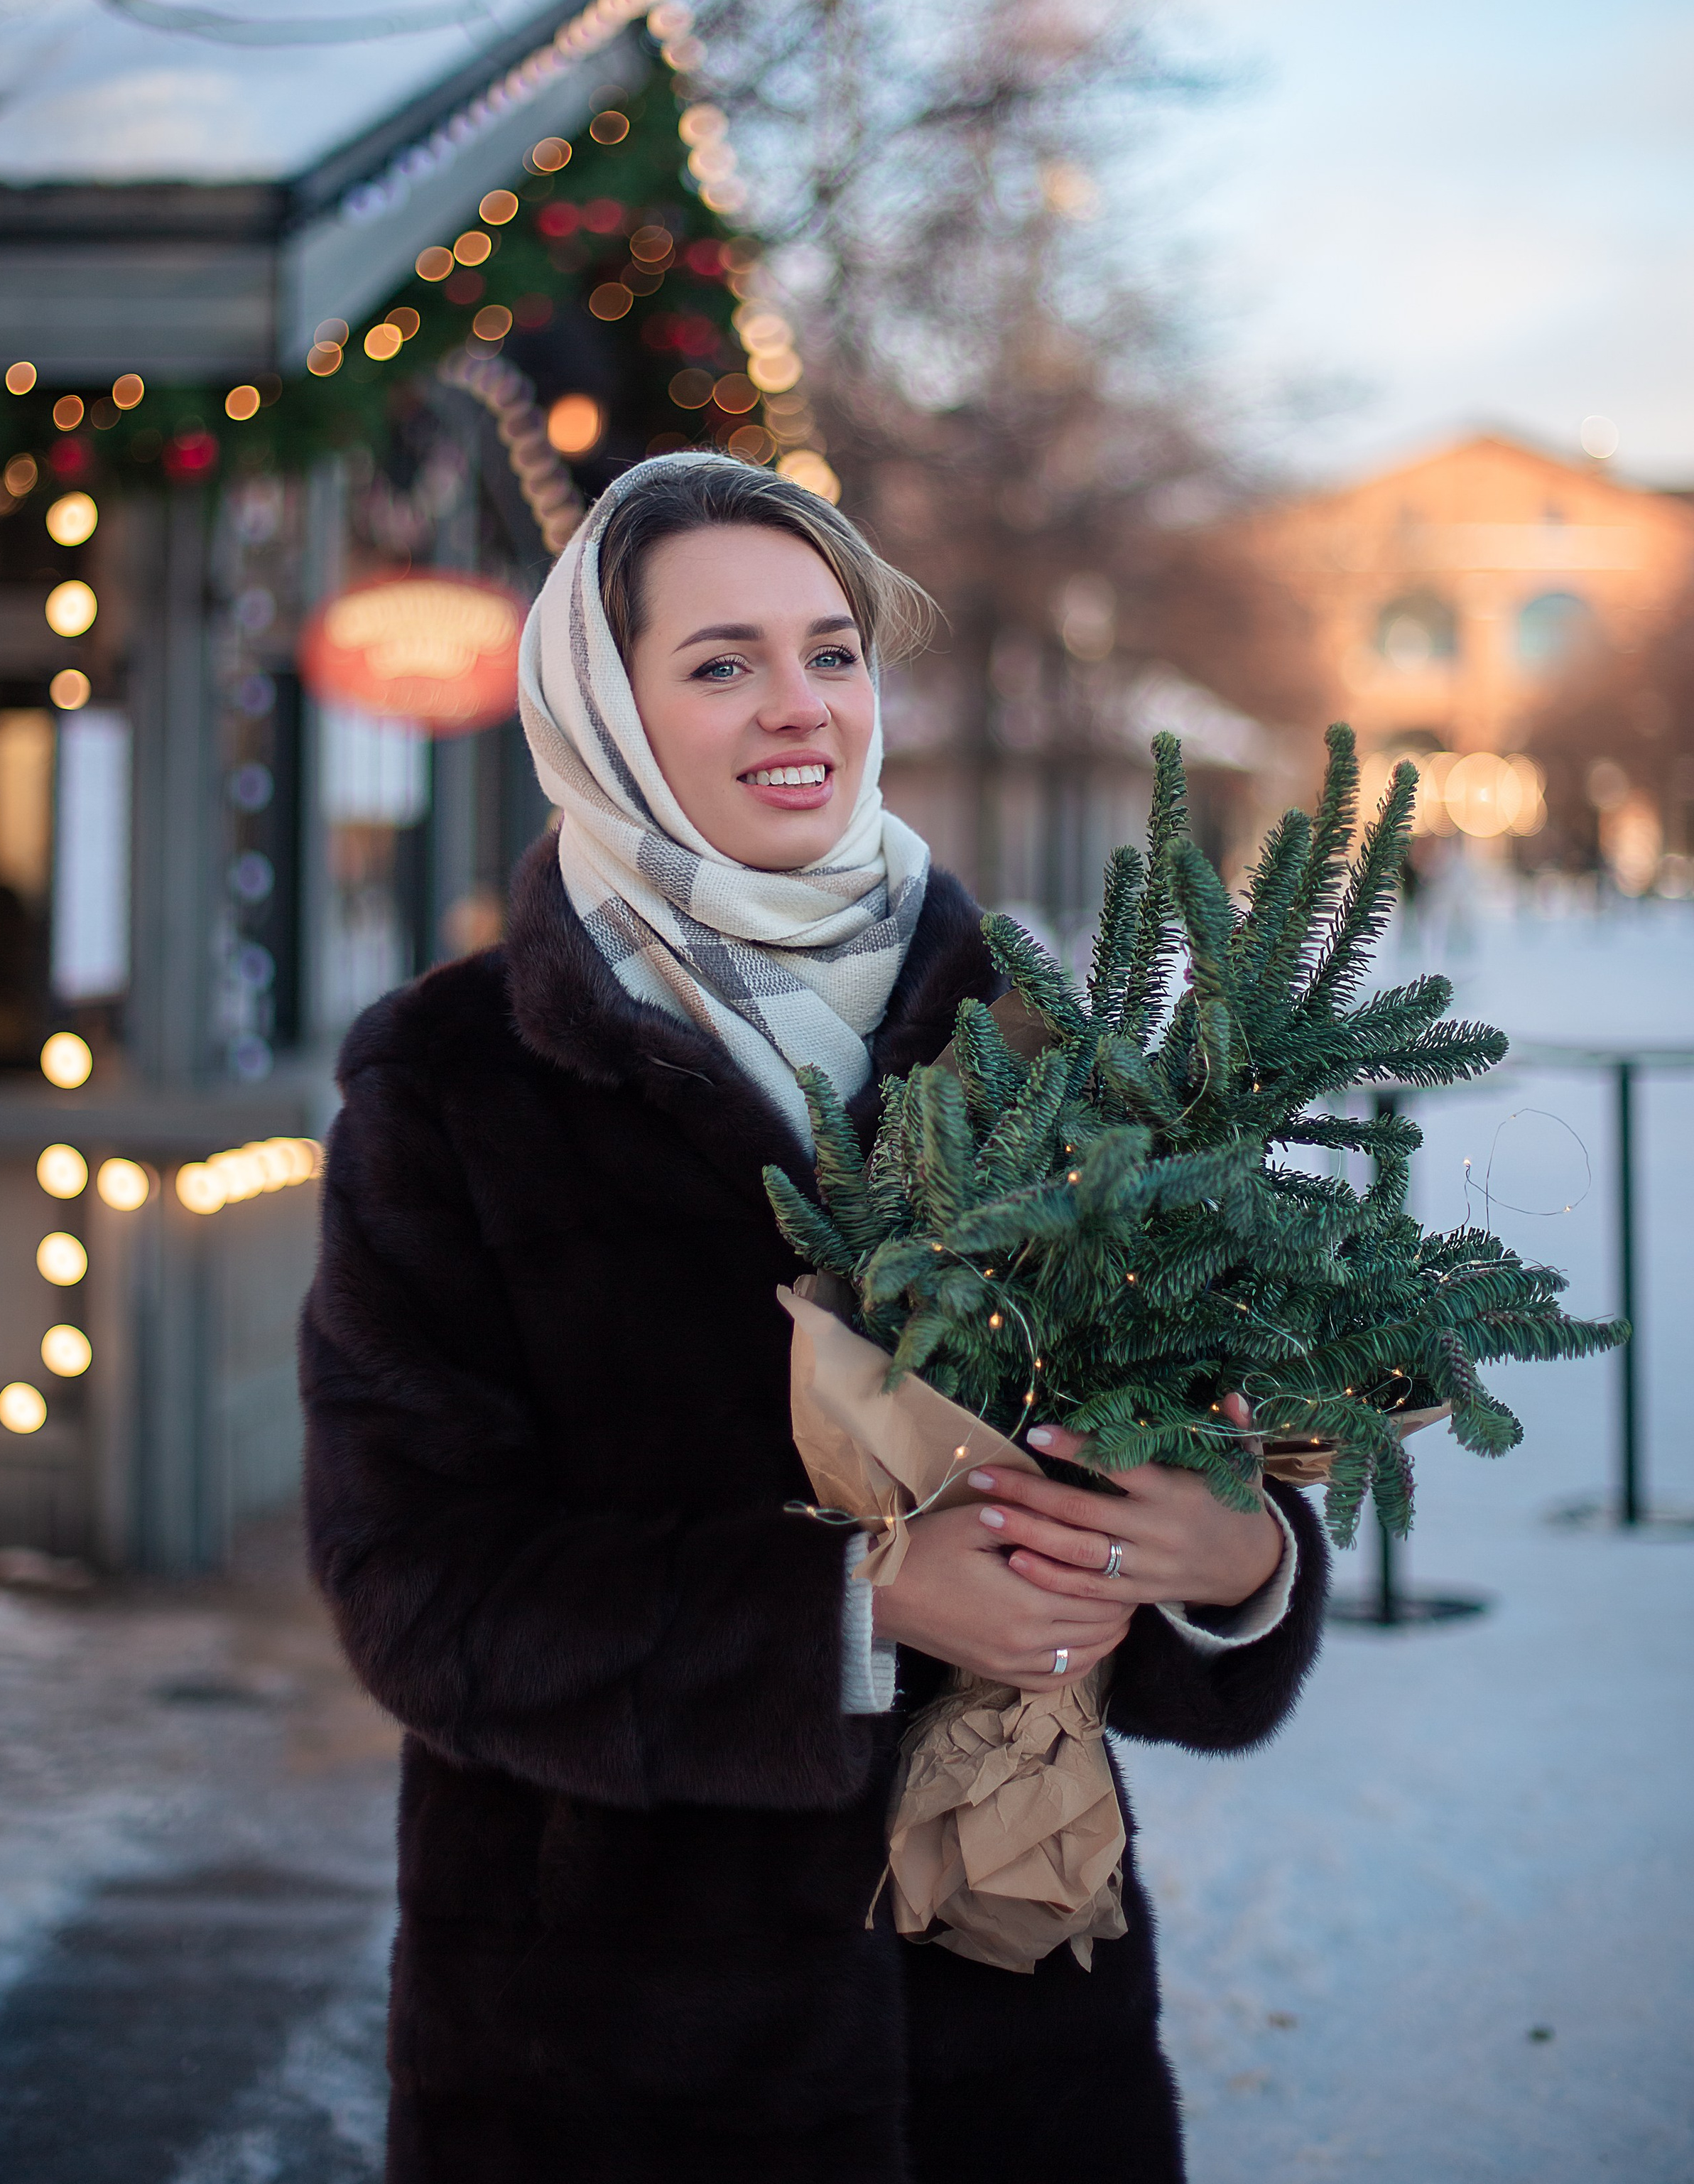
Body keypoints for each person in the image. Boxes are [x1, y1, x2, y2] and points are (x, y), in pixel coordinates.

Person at [300, 453, 1325, 2184]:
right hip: (607, 2069)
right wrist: (850, 1611)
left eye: (831, 652)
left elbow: (1188, 1520)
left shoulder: (1033, 1043)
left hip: (1016, 2050)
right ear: (603, 711)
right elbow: (417, 1590)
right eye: (721, 663)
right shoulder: (455, 1085)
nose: (800, 707)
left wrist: (1229, 1566)